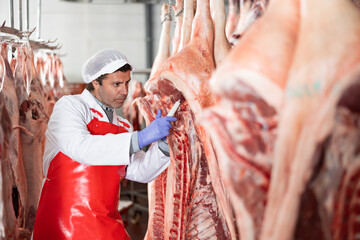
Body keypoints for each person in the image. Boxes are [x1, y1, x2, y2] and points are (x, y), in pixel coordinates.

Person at [32, 49, 177, 240]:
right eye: (116, 84)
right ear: (95, 82)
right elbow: (82, 148)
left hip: (105, 223)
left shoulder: (122, 125)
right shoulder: (70, 106)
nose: (124, 91)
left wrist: (164, 147)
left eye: (127, 83)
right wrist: (141, 138)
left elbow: (140, 171)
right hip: (65, 224)